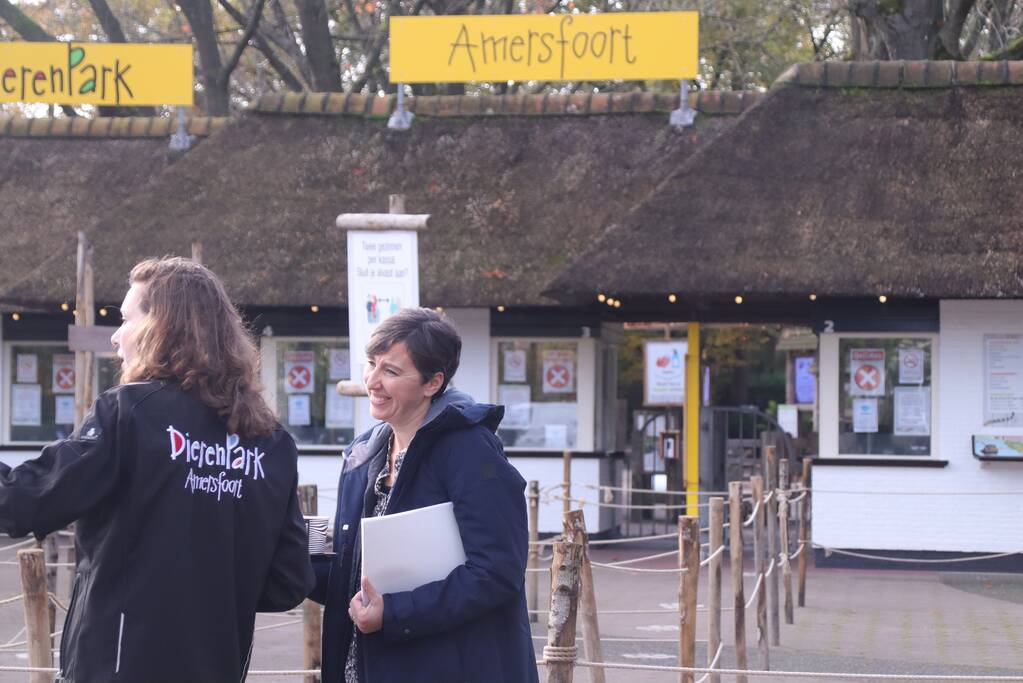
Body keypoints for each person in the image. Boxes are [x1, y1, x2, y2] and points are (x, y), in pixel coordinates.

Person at [0, 257, 314, 683]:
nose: (115, 337)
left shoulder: (129, 414)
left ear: (161, 327)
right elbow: (288, 581)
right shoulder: (274, 444)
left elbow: (21, 502)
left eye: (126, 319)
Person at [310, 308, 537, 683]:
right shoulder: (363, 453)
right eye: (371, 364)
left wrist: (393, 613)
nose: (372, 381)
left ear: (433, 383)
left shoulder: (471, 451)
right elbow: (353, 575)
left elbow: (497, 572)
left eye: (392, 371)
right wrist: (287, 558)